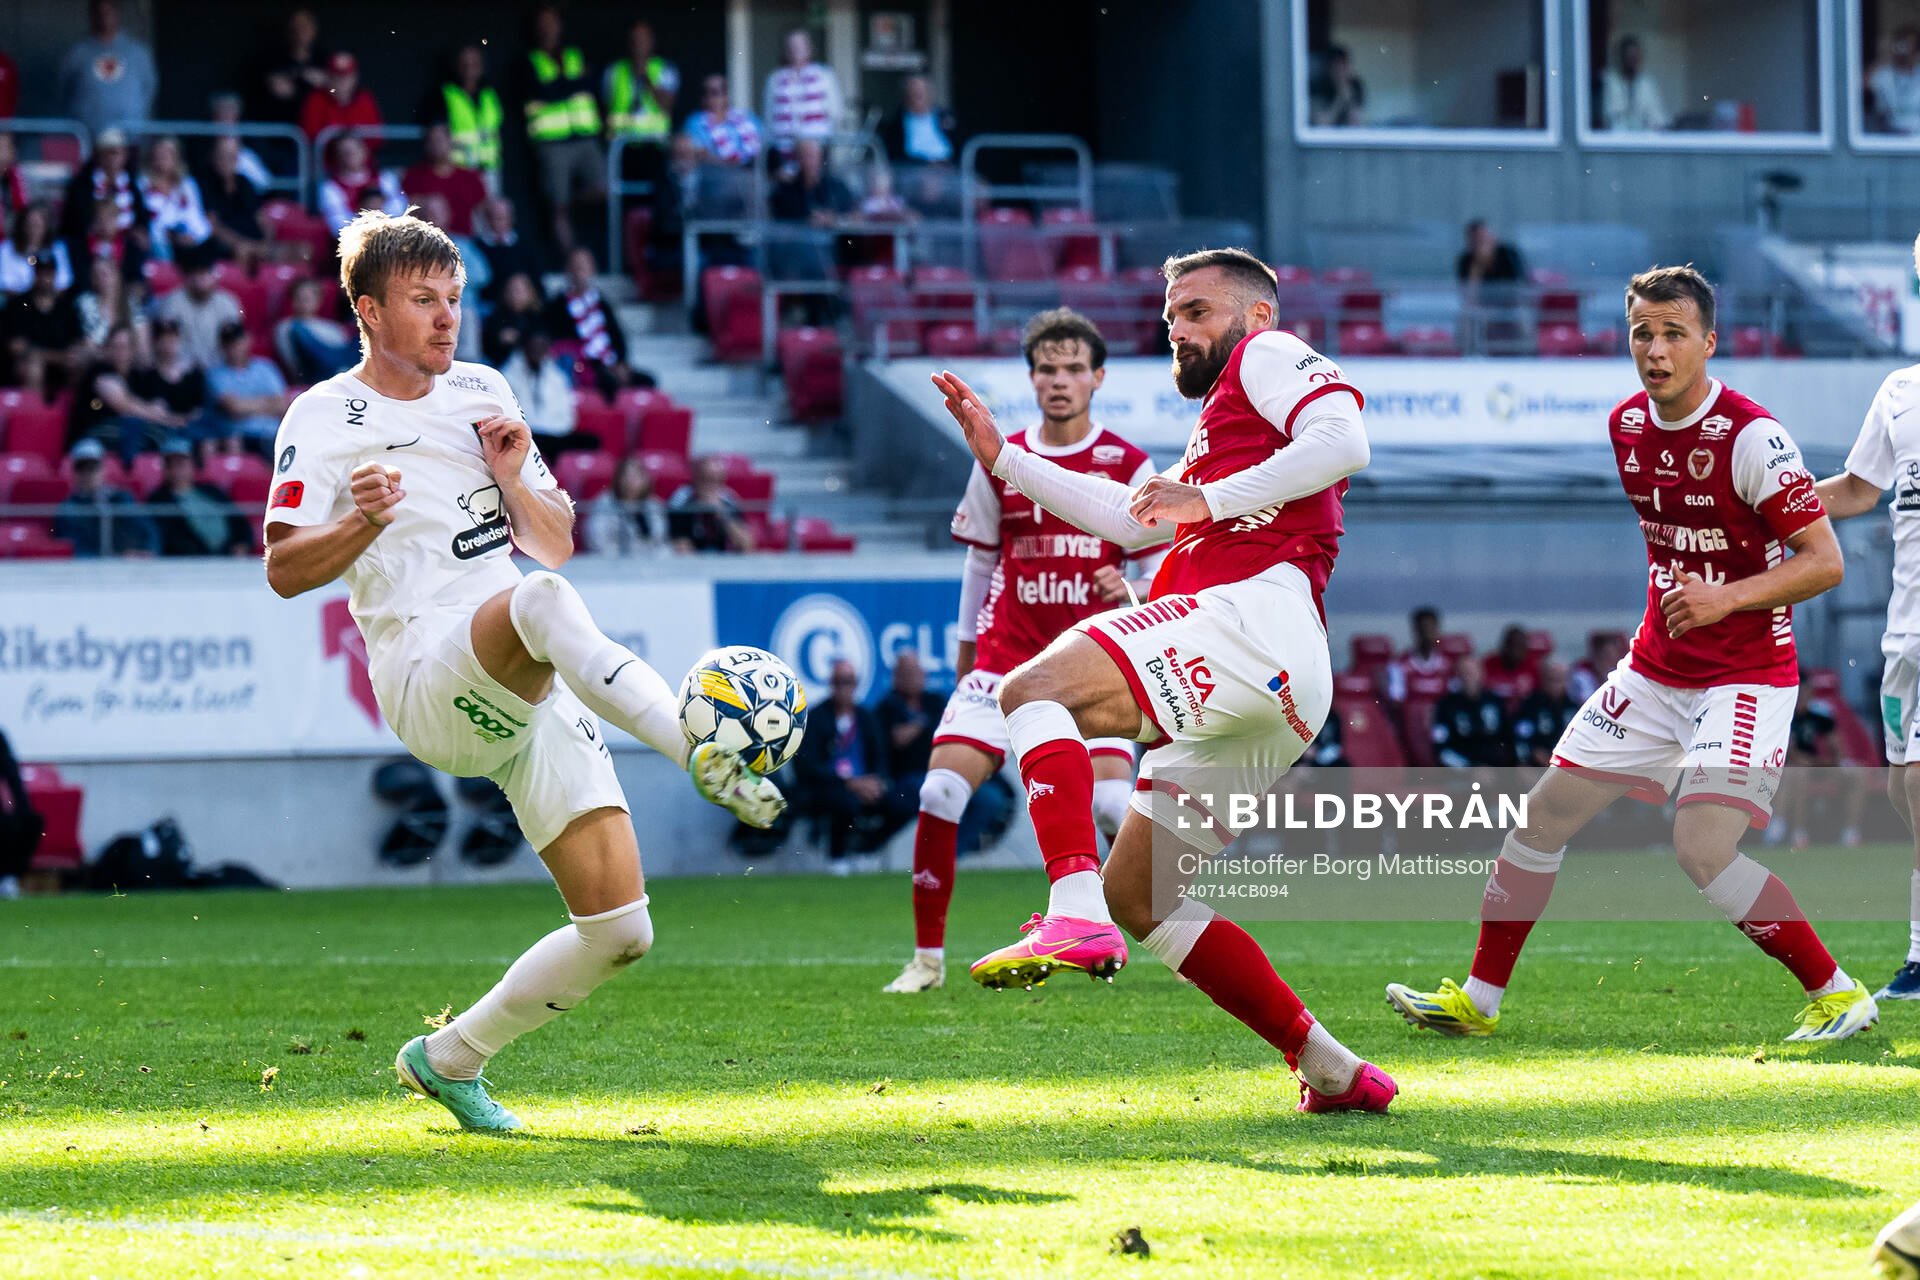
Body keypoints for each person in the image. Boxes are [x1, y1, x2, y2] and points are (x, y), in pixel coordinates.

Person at [263, 208, 781, 1132]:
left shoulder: (483, 390)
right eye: (423, 300)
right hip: (427, 674)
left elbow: (556, 541)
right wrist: (360, 522)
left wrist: (510, 480)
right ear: (369, 310)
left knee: (621, 931)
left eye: (454, 298)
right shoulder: (324, 414)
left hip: (525, 676)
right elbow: (284, 569)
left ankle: (448, 1059)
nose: (446, 318)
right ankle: (696, 751)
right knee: (538, 600)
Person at [930, 247, 1394, 1113]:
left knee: (1028, 691)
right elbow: (1130, 518)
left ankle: (1071, 911)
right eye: (1172, 315)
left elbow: (1346, 442)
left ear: (1256, 314)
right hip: (1281, 684)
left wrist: (1206, 502)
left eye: (1197, 311)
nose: (1177, 328)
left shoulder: (1268, 354)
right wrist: (1005, 459)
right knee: (1140, 895)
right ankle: (1334, 1070)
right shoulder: (1223, 429)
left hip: (1250, 621)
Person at [1387, 265, 1875, 1045]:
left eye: (1674, 333)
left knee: (1701, 849)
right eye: (1642, 333)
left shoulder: (1753, 436)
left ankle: (1837, 993)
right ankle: (1477, 1000)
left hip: (1745, 678)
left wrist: (1724, 597)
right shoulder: (1625, 426)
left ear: (1708, 343)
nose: (1656, 349)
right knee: (1539, 820)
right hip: (1654, 672)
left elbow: (1825, 563)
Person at [884, 308, 1155, 996]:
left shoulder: (1129, 464)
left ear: (1098, 378)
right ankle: (925, 961)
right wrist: (966, 650)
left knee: (1112, 805)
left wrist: (1133, 589)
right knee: (940, 790)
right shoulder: (998, 456)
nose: (1059, 381)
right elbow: (980, 560)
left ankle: (1138, 928)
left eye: (1073, 369)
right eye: (1047, 369)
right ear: (1032, 379)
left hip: (1093, 665)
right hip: (1005, 658)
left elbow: (1162, 569)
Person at [1814, 235, 1920, 999]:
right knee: (1902, 790)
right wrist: (1763, 503)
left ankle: (1919, 956)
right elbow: (1857, 489)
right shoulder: (1899, 391)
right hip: (1904, 627)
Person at [790, 659, 911, 862]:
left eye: (848, 682)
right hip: (830, 787)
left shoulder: (866, 718)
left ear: (856, 684)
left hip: (865, 785)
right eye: (839, 682)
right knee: (845, 802)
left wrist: (876, 781)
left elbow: (880, 757)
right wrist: (849, 783)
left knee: (902, 802)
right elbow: (807, 765)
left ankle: (867, 846)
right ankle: (838, 859)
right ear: (831, 684)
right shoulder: (816, 718)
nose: (843, 688)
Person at [519, 3, 603, 255]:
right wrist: (574, 83)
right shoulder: (529, 61)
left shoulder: (575, 54)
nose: (548, 29)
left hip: (585, 138)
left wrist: (559, 86)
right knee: (558, 207)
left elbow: (592, 83)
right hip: (552, 143)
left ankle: (571, 200)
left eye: (552, 22)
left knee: (604, 190)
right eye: (543, 24)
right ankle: (571, 260)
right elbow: (541, 92)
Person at [68, 322, 180, 460]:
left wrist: (163, 414)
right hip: (91, 436)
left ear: (133, 350)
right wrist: (166, 419)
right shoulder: (99, 371)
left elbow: (156, 403)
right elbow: (124, 406)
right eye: (115, 346)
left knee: (168, 438)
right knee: (141, 427)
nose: (120, 352)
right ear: (107, 349)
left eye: (124, 347)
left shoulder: (136, 377)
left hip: (122, 435)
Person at [59, 0, 157, 142]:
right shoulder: (77, 54)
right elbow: (64, 91)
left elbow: (149, 89)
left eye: (109, 11)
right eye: (100, 12)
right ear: (92, 15)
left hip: (130, 139)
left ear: (118, 13)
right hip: (86, 138)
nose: (104, 17)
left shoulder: (137, 53)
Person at [544, 247, 631, 395]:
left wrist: (621, 362)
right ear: (567, 270)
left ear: (592, 269)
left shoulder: (601, 302)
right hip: (581, 367)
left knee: (646, 380)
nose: (580, 271)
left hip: (609, 363)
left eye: (584, 266)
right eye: (575, 266)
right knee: (608, 383)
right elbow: (558, 342)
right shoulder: (557, 305)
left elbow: (616, 336)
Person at [54, 437, 154, 557]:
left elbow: (149, 531)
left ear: (103, 469)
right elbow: (78, 550)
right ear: (74, 472)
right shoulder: (68, 509)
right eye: (81, 468)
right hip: (95, 567)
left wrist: (148, 552)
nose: (87, 473)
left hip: (131, 564)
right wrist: (116, 558)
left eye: (92, 467)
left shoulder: (122, 498)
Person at [147, 438, 249, 556]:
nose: (176, 470)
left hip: (231, 558)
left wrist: (242, 543)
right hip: (192, 561)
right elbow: (171, 539)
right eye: (170, 465)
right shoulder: (158, 501)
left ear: (193, 465)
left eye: (181, 464)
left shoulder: (212, 491)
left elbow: (239, 521)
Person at [603, 21, 677, 180]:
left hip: (655, 143)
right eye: (635, 40)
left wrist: (647, 79)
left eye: (643, 40)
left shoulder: (664, 69)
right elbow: (607, 106)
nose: (639, 45)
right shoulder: (614, 71)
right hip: (622, 144)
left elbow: (667, 107)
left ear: (652, 42)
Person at [500, 330, 591, 458]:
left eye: (542, 347)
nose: (538, 351)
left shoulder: (556, 376)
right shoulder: (508, 374)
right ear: (526, 347)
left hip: (555, 433)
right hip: (525, 433)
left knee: (591, 441)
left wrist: (557, 429)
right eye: (534, 346)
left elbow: (567, 414)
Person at [5, 255, 84, 395]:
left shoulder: (66, 307)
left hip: (62, 363)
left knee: (80, 363)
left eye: (49, 273)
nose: (45, 278)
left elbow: (77, 340)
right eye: (41, 273)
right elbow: (15, 346)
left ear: (55, 275)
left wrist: (71, 355)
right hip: (29, 363)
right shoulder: (19, 304)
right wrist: (57, 357)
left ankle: (75, 408)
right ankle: (33, 409)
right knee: (34, 367)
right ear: (35, 274)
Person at [205, 319, 287, 451]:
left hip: (273, 435)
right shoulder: (216, 374)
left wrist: (245, 405)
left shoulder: (266, 367)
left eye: (238, 341)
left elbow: (282, 405)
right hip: (242, 438)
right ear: (222, 346)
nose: (234, 347)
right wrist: (268, 403)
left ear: (247, 340)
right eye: (229, 343)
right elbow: (233, 408)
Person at [875, 650, 946, 795]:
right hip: (905, 777)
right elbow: (898, 739)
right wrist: (923, 724)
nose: (913, 677)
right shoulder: (887, 706)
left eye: (916, 671)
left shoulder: (935, 701)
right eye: (907, 673)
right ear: (896, 677)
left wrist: (915, 727)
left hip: (941, 771)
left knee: (984, 796)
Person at [434, 45, 504, 189]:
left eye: (474, 64)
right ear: (457, 67)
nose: (469, 69)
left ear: (482, 67)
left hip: (489, 168)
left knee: (494, 202)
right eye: (464, 64)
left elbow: (497, 128)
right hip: (460, 168)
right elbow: (438, 134)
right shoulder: (447, 94)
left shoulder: (489, 94)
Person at [152, 260, 242, 369]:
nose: (200, 281)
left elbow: (236, 344)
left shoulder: (228, 302)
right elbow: (166, 345)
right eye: (196, 274)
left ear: (213, 276)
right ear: (187, 276)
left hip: (219, 370)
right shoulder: (172, 302)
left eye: (204, 274)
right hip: (181, 370)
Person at [763, 29, 842, 154]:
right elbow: (769, 114)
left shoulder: (824, 75)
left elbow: (836, 112)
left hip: (816, 146)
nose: (795, 50)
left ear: (809, 48)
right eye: (791, 45)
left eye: (800, 45)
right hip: (784, 146)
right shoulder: (775, 78)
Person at [139, 136, 215, 264]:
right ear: (152, 156)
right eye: (160, 153)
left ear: (177, 158)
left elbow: (198, 218)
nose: (163, 157)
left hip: (189, 243)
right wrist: (172, 237)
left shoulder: (188, 185)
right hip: (159, 244)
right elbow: (148, 223)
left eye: (168, 153)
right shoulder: (142, 184)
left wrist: (193, 236)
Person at [402, 124, 488, 237]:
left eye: (440, 140)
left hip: (463, 241)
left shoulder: (470, 177)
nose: (436, 146)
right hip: (426, 240)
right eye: (431, 141)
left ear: (450, 142)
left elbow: (483, 211)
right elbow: (405, 208)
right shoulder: (414, 176)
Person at [1429, 656, 1513, 769]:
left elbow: (1508, 736)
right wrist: (1469, 767)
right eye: (1464, 672)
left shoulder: (1495, 701)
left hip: (1495, 768)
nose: (1468, 676)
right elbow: (1442, 750)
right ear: (1457, 676)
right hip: (1463, 770)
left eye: (1472, 672)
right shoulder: (1446, 705)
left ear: (1482, 673)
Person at [199, 137, 269, 269]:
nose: (226, 161)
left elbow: (262, 219)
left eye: (231, 156)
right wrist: (241, 244)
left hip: (256, 242)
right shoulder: (204, 185)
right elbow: (213, 227)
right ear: (213, 157)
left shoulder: (245, 182)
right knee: (243, 254)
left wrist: (266, 244)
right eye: (222, 156)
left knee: (302, 251)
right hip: (228, 247)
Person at [275, 277, 357, 383]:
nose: (304, 301)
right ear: (292, 300)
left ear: (319, 300)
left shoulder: (333, 328)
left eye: (309, 297)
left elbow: (346, 357)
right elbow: (294, 366)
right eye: (299, 297)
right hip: (313, 380)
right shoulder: (286, 327)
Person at [317, 134, 404, 234]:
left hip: (389, 234)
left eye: (355, 150)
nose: (351, 155)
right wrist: (363, 215)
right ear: (336, 157)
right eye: (345, 152)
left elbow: (399, 209)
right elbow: (337, 225)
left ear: (365, 151)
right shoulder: (330, 187)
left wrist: (381, 213)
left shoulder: (385, 178)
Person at [129, 318, 207, 429]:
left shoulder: (194, 373)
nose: (168, 344)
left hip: (191, 429)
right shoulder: (146, 376)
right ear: (155, 342)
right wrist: (168, 419)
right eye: (163, 339)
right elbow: (144, 410)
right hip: (159, 429)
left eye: (172, 338)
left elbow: (200, 409)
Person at [667, 455, 752, 553]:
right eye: (707, 479)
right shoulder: (681, 501)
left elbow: (746, 545)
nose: (712, 486)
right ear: (695, 478)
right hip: (693, 558)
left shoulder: (729, 500)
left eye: (718, 480)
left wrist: (721, 513)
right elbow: (681, 546)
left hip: (724, 557)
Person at [258, 8, 329, 125]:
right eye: (295, 28)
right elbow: (264, 93)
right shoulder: (272, 59)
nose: (299, 32)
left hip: (317, 125)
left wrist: (326, 85)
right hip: (281, 125)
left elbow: (336, 92)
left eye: (304, 27)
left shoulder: (324, 60)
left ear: (314, 30)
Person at [584, 455, 666, 556]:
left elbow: (659, 539)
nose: (631, 480)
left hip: (647, 559)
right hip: (612, 559)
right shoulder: (604, 503)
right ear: (618, 479)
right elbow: (596, 540)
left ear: (646, 480)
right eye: (627, 475)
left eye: (636, 475)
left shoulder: (653, 505)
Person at [300, 51, 383, 144]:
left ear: (355, 77)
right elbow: (309, 136)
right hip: (325, 152)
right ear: (328, 77)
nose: (342, 82)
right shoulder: (317, 98)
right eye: (337, 77)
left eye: (346, 76)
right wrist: (338, 142)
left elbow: (377, 138)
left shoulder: (364, 99)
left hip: (360, 152)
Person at [682, 75, 764, 168]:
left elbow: (764, 145)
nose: (708, 98)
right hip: (717, 173)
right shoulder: (695, 123)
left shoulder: (747, 118)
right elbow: (700, 155)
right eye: (704, 93)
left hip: (753, 172)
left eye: (714, 93)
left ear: (726, 96)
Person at [876, 76, 955, 167]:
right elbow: (893, 155)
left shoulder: (944, 117)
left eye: (921, 92)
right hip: (914, 167)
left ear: (929, 94)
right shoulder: (896, 122)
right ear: (905, 96)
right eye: (912, 92)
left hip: (949, 166)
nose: (916, 95)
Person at [1512, 660, 1578, 768]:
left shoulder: (1573, 708)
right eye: (1551, 679)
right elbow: (1521, 737)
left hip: (1565, 764)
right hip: (1535, 764)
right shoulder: (1530, 705)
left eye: (1559, 680)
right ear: (1542, 679)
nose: (1555, 685)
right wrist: (1529, 755)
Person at [470, 198, 537, 302]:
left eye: (504, 217)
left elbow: (535, 278)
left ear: (512, 218)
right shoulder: (476, 246)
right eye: (495, 216)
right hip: (488, 304)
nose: (499, 221)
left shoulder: (525, 245)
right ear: (487, 219)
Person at [207, 92, 275, 193]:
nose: (226, 116)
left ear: (238, 114)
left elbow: (264, 181)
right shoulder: (203, 142)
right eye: (222, 111)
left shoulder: (252, 141)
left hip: (250, 192)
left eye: (230, 111)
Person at [0, 204, 75, 294]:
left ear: (46, 227)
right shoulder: (7, 248)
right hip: (16, 300)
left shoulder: (57, 248)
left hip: (49, 299)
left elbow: (64, 282)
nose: (33, 229)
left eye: (38, 225)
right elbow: (5, 283)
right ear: (22, 226)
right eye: (29, 224)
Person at [1600, 35, 1668, 132]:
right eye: (1629, 56)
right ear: (1621, 57)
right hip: (1616, 136)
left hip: (1644, 137)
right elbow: (1607, 117)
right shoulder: (1609, 81)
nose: (1633, 60)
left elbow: (1658, 117)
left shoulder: (1647, 84)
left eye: (1635, 56)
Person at [1384, 605, 1449, 704]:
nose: (1428, 635)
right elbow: (1396, 700)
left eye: (1432, 630)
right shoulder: (1399, 664)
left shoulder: (1449, 664)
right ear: (1416, 631)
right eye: (1424, 629)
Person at [482, 271, 546, 366]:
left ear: (531, 292)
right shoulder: (496, 317)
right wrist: (500, 339)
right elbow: (488, 347)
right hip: (503, 365)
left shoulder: (539, 317)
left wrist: (519, 338)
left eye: (520, 291)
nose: (515, 295)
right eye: (512, 290)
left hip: (535, 367)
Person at [1871, 27, 1920, 135]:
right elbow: (1855, 87)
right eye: (1902, 43)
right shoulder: (1884, 74)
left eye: (1911, 46)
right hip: (1890, 137)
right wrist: (1885, 56)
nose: (1906, 49)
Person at [1481, 623, 1538, 707]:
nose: (1515, 652)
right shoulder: (1488, 664)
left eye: (1520, 646)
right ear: (1503, 646)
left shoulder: (1534, 667)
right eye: (1512, 646)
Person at [1309, 45, 1364, 127]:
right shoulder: (1318, 86)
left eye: (1344, 65)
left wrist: (1349, 100)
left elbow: (1356, 123)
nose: (1341, 71)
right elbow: (1321, 124)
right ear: (1329, 68)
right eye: (1338, 66)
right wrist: (1340, 100)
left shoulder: (1355, 85)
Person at [1457, 220, 1523, 287]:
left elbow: (1519, 282)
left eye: (1483, 238)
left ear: (1492, 238)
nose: (1481, 244)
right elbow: (1468, 288)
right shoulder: (1466, 261)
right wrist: (1478, 265)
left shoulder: (1508, 254)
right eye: (1475, 241)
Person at [0, 133, 31, 222]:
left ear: (13, 152)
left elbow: (23, 210)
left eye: (4, 148)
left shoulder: (20, 178)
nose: (2, 153)